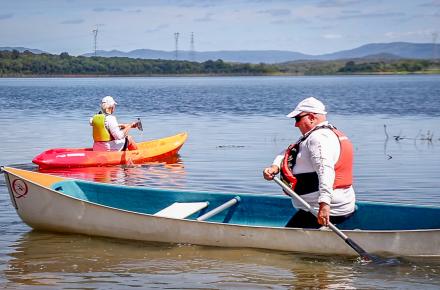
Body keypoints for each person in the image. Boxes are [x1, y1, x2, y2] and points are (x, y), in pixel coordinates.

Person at [263, 97, 355, 228]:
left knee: (283, 240)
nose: (296, 124)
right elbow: (289, 152)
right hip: (323, 207)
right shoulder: (319, 134)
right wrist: (275, 167)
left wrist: (324, 204)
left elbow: (325, 171)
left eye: (298, 119)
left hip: (322, 211)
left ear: (311, 117)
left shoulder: (318, 138)